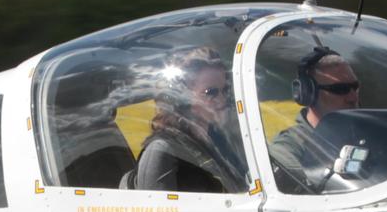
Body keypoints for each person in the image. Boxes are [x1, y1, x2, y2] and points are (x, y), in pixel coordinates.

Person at [133, 47, 249, 193]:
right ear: (183, 98)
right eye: (211, 92)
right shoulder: (163, 151)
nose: (222, 99)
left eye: (224, 90)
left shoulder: (222, 142)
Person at [266, 47, 363, 192]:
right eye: (340, 89)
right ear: (309, 93)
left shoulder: (367, 134)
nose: (353, 97)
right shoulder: (288, 148)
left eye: (354, 87)